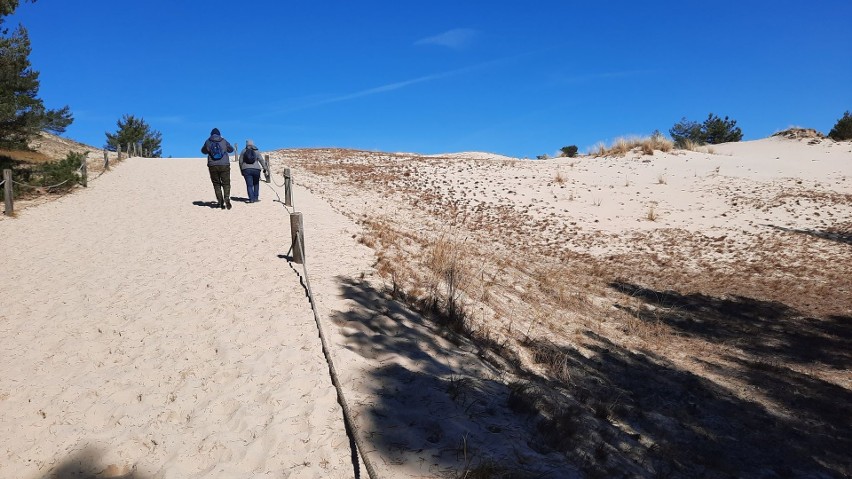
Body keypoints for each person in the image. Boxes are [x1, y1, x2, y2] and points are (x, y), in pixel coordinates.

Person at [201, 128, 235, 209]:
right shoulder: (223, 140)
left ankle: (220, 202)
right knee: (226, 183)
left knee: (216, 184)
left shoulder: (208, 141)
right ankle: (227, 198)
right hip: (224, 164)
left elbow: (203, 151)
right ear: (219, 134)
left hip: (212, 165)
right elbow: (231, 150)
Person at [238, 139, 268, 203]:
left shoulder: (243, 151)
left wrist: (241, 170)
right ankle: (256, 198)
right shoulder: (257, 151)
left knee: (249, 185)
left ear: (246, 144)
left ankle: (251, 199)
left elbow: (240, 162)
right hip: (256, 169)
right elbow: (261, 160)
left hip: (246, 169)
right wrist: (265, 168)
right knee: (256, 184)